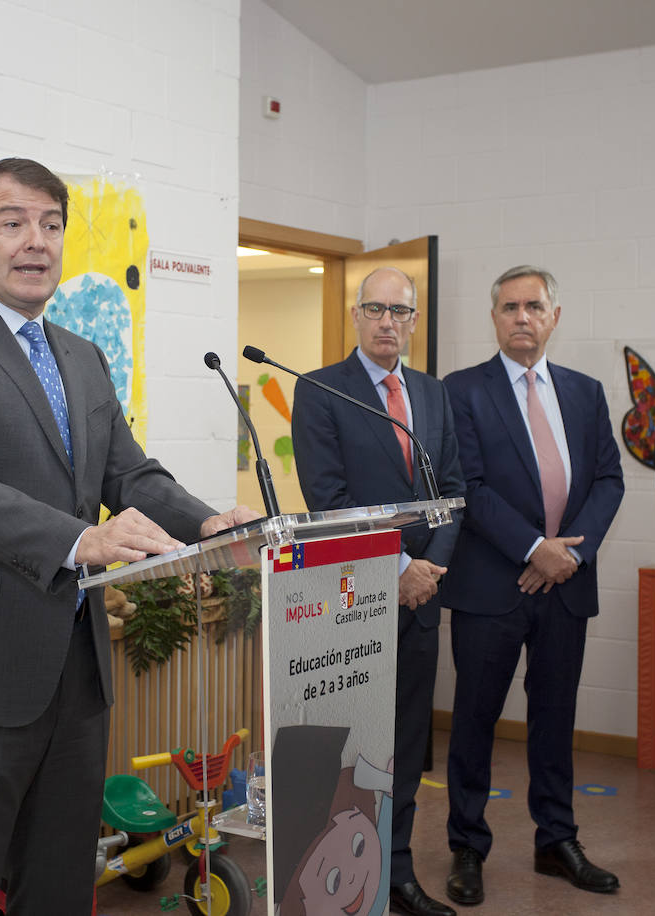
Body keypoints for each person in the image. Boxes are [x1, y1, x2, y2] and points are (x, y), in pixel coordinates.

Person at [0, 157, 256, 915]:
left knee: (58, 884)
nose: (35, 242)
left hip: (75, 678)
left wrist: (207, 521)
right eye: (12, 222)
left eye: (51, 225)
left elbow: (131, 474)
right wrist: (81, 540)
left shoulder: (81, 356)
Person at [439, 266, 624, 905]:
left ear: (554, 316)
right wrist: (532, 548)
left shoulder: (586, 392)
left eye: (534, 306)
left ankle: (557, 841)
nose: (522, 316)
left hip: (567, 585)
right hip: (492, 586)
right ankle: (467, 845)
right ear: (494, 318)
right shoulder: (460, 391)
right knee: (474, 721)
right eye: (510, 307)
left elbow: (608, 480)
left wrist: (571, 554)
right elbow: (469, 487)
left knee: (555, 719)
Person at [290, 266, 466, 916]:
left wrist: (429, 572)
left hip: (421, 601)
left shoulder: (431, 392)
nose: (388, 320)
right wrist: (397, 568)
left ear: (415, 321)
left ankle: (396, 872)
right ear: (357, 316)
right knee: (354, 747)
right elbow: (327, 500)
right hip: (352, 603)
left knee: (407, 743)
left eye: (401, 311)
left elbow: (451, 492)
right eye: (376, 309)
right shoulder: (320, 389)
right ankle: (339, 882)